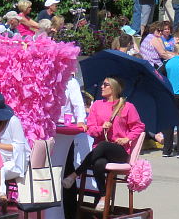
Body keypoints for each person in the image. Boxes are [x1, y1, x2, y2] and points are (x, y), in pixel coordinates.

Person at [62, 77, 146, 210]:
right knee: (98, 163)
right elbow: (90, 128)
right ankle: (103, 196)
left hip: (119, 150)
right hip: (99, 151)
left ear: (114, 88)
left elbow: (139, 127)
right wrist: (102, 128)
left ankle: (74, 175)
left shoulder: (127, 107)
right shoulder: (97, 105)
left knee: (104, 146)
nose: (102, 87)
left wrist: (127, 138)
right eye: (102, 84)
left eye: (105, 85)